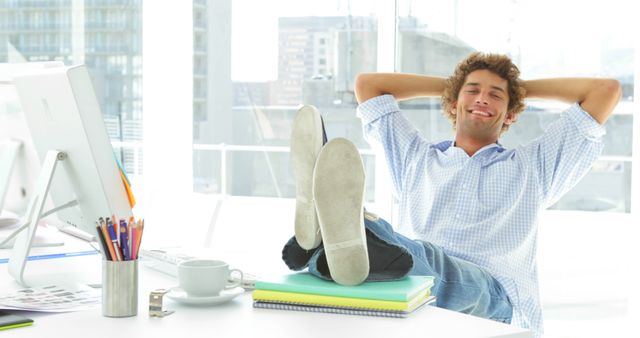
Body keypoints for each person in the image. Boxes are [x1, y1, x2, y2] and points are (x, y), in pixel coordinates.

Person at [281, 52, 621, 338]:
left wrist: (518, 89)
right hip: (413, 289)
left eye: (496, 96)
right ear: (454, 104)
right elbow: (369, 86)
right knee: (395, 252)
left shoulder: (534, 167)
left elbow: (604, 90)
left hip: (493, 301)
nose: (483, 98)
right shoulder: (416, 158)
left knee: (415, 253)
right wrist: (456, 85)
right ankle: (333, 246)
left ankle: (338, 238)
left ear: (511, 113)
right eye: (472, 91)